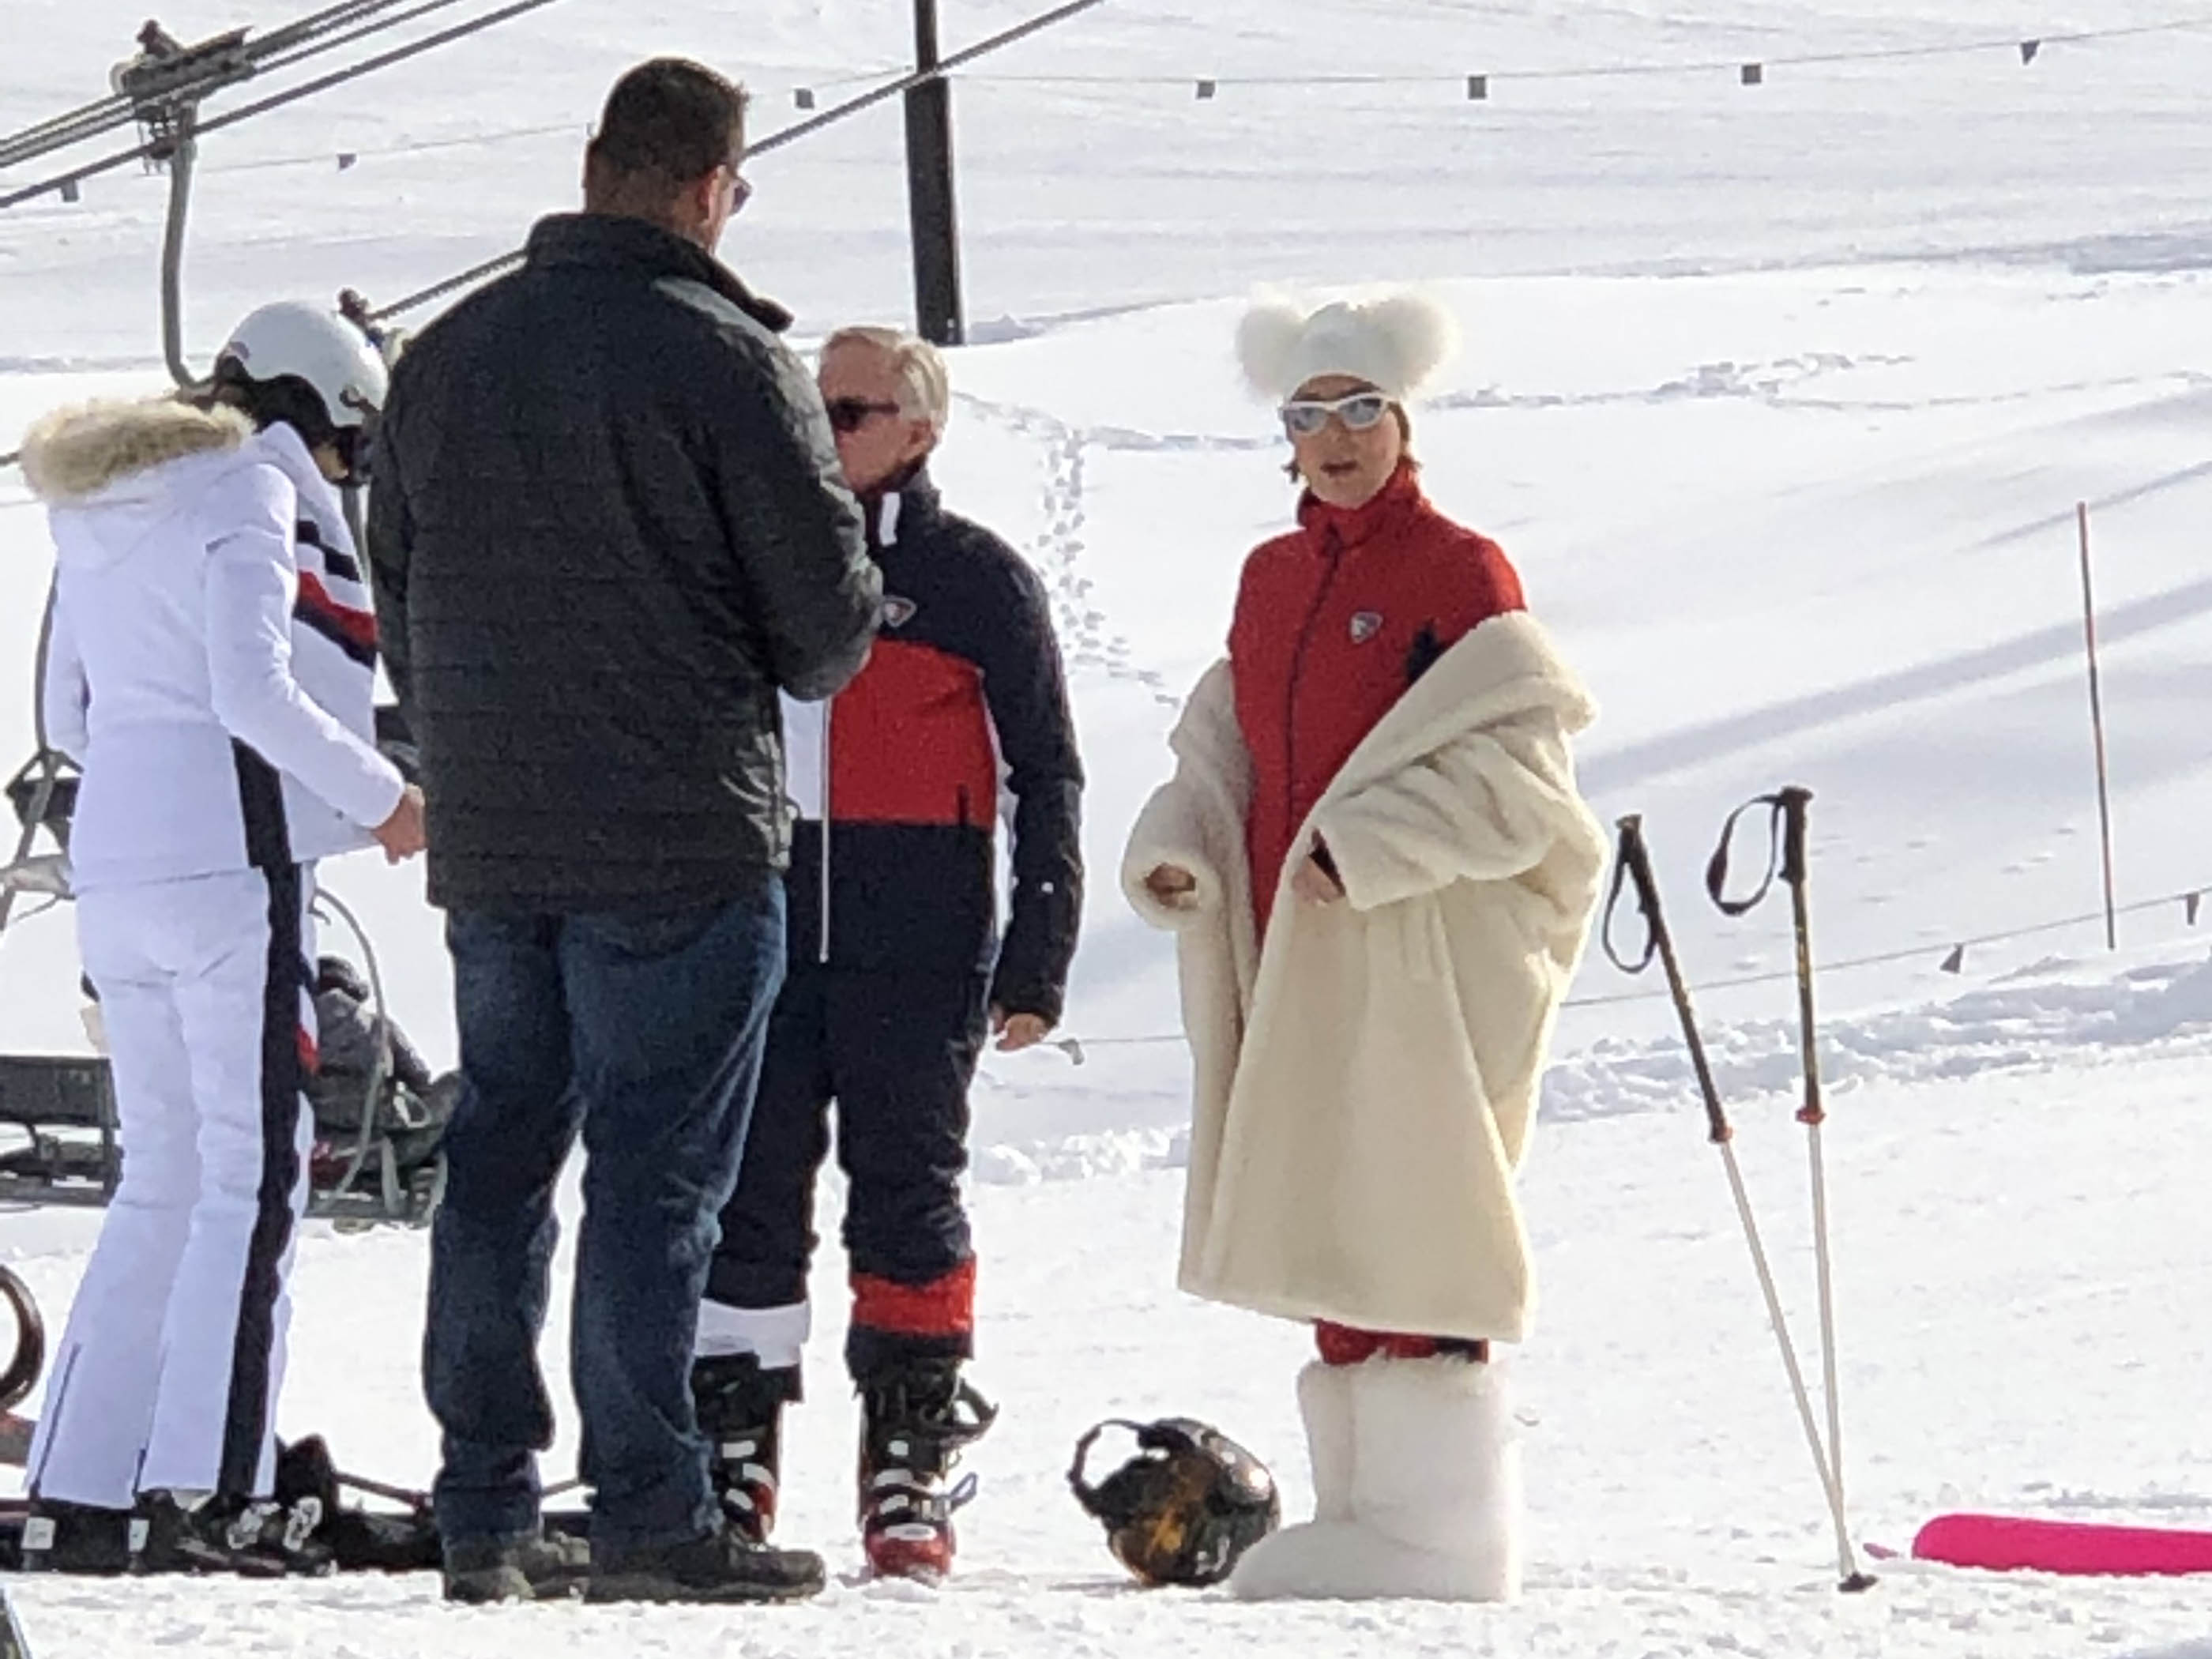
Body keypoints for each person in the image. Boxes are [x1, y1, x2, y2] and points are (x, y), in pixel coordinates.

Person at [367, 58, 882, 1606]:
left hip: (500, 847)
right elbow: (823, 631)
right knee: (657, 1176)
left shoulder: (444, 357)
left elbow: (397, 601)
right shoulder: (726, 360)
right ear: (716, 185)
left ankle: (481, 1505)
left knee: (500, 1156)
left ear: (593, 163)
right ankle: (650, 1505)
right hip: (676, 839)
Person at [1122, 292, 1608, 1602]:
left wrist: (1371, 848)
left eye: (1356, 411)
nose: (1333, 438)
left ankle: (1445, 1532)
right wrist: (1184, 835)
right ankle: (1365, 1515)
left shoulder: (1460, 571)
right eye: (1307, 415)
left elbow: (1527, 782)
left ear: (1403, 420)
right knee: (1332, 1207)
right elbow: (1227, 749)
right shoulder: (1271, 580)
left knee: (1414, 1206)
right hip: (1296, 944)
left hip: (1412, 949)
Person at [17, 300, 427, 1576]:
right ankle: (218, 1484)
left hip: (117, 863)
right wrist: (385, 798)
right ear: (319, 409)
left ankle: (79, 1483)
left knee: (161, 1180)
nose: (346, 474)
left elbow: (59, 704)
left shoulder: (105, 494)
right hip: (231, 864)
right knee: (255, 1183)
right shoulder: (250, 487)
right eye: (351, 445)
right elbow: (255, 686)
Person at [690, 325, 1083, 1581]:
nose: (828, 427)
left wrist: (1041, 945)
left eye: (853, 411)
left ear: (921, 430)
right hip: (764, 931)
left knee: (908, 1193)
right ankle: (734, 1442)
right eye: (817, 408)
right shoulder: (756, 553)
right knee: (751, 1192)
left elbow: (1045, 772)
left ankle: (908, 1446)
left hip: (918, 941)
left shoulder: (976, 581)